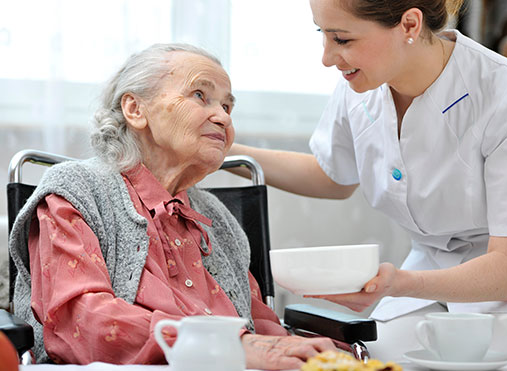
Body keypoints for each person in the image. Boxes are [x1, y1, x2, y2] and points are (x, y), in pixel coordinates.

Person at [228, 0, 507, 362]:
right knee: (378, 358)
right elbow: (332, 176)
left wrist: (399, 282)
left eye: (342, 39)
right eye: (322, 34)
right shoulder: (361, 85)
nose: (326, 57)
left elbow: (505, 273)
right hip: (428, 280)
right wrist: (222, 151)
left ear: (409, 24)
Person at [8, 43, 335, 368]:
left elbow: (258, 323)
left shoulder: (217, 219)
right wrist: (229, 347)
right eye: (199, 95)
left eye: (228, 106)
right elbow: (79, 322)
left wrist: (314, 356)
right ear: (135, 110)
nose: (222, 116)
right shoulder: (77, 191)